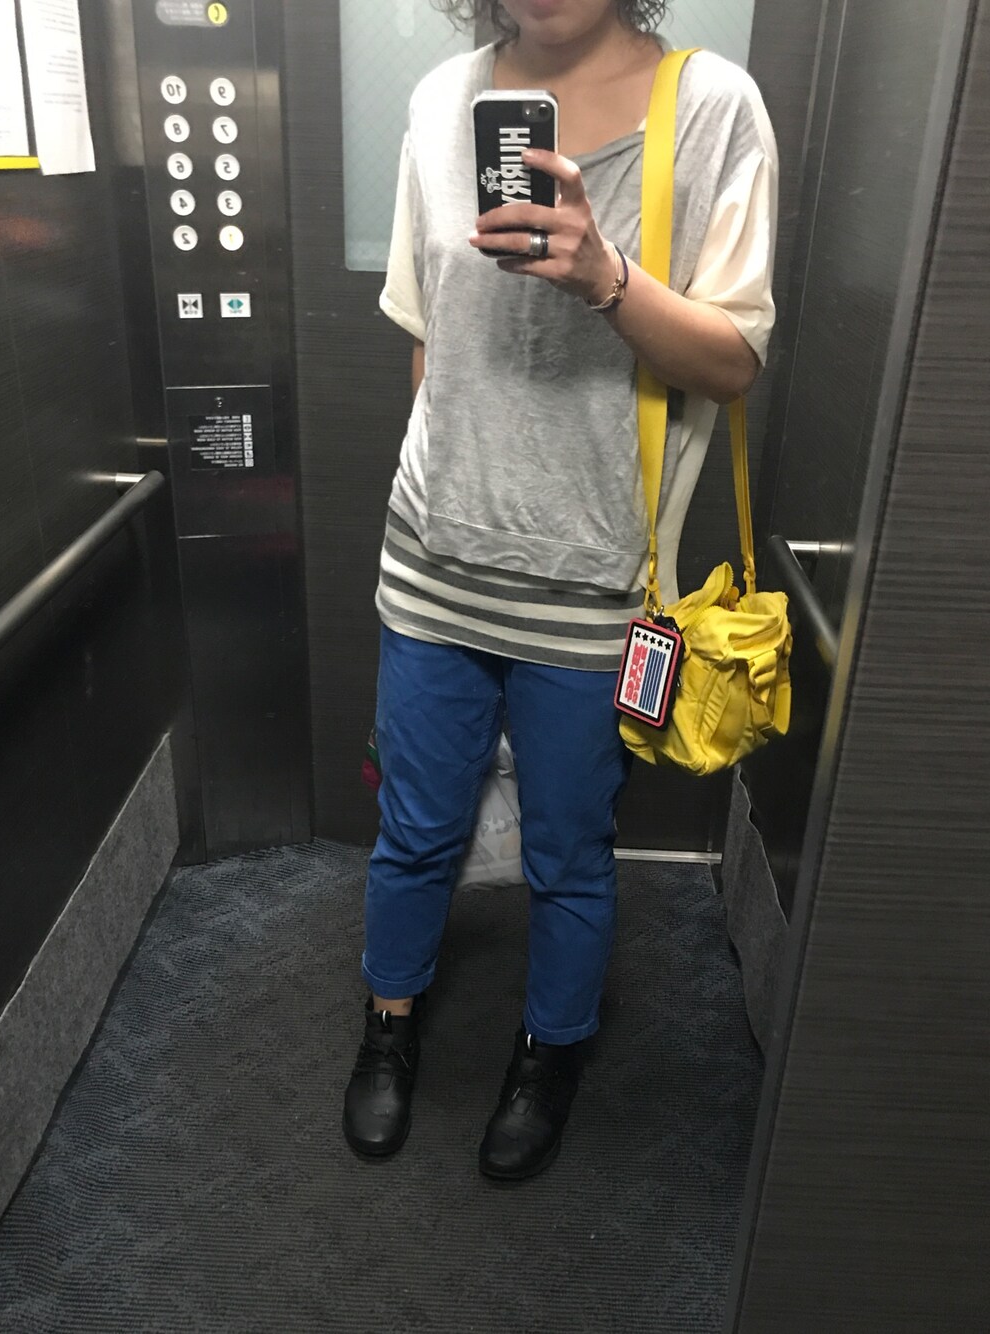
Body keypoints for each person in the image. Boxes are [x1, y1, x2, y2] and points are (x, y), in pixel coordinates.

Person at [343, 0, 778, 1180]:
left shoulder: (710, 108)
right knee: (414, 828)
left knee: (569, 850)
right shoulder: (442, 102)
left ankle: (551, 1049)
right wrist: (451, 480)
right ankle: (387, 1022)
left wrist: (603, 273)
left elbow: (732, 360)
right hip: (434, 563)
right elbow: (428, 332)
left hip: (592, 581)